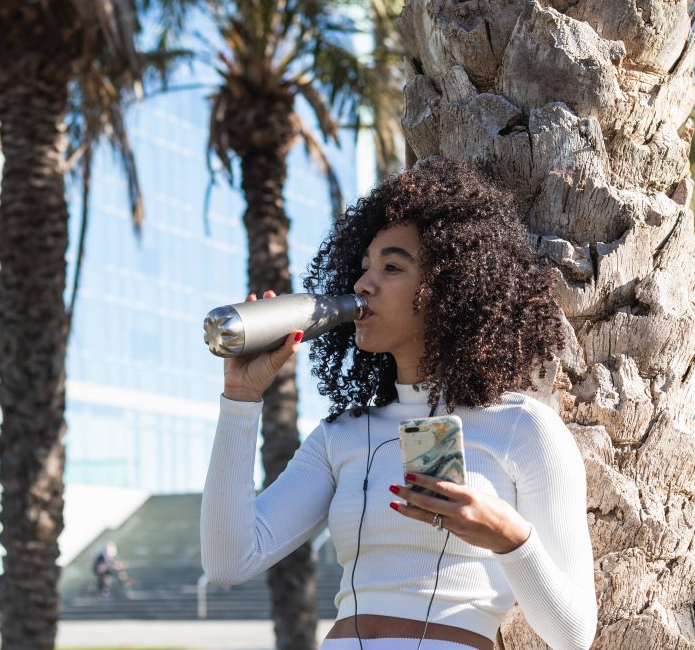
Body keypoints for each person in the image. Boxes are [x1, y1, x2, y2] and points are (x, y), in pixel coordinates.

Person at [201, 158, 597, 650]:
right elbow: (228, 561)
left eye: (391, 267)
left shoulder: (521, 427)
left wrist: (508, 536)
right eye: (364, 267)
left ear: (451, 288)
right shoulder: (340, 436)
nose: (364, 285)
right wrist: (240, 399)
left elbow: (574, 634)